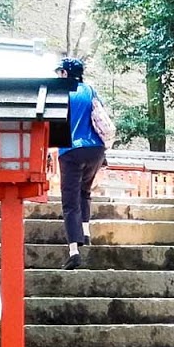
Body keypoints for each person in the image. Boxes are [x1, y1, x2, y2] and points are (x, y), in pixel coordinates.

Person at [58, 57, 107, 269]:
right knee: (84, 191)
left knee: (70, 202)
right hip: (95, 149)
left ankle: (73, 250)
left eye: (60, 72)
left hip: (71, 149)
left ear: (65, 74)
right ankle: (86, 232)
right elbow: (101, 120)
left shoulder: (61, 93)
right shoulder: (90, 90)